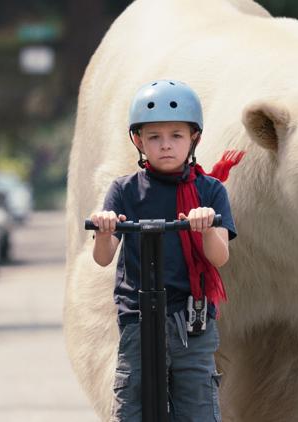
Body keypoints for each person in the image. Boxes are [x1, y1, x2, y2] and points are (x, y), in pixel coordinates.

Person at [90, 79, 244, 422]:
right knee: (131, 407)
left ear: (194, 139)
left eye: (176, 135)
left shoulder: (210, 191)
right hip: (138, 318)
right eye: (154, 137)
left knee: (198, 407)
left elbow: (220, 257)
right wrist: (105, 228)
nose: (165, 145)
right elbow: (103, 257)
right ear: (139, 141)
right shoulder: (124, 190)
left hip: (192, 319)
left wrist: (205, 226)